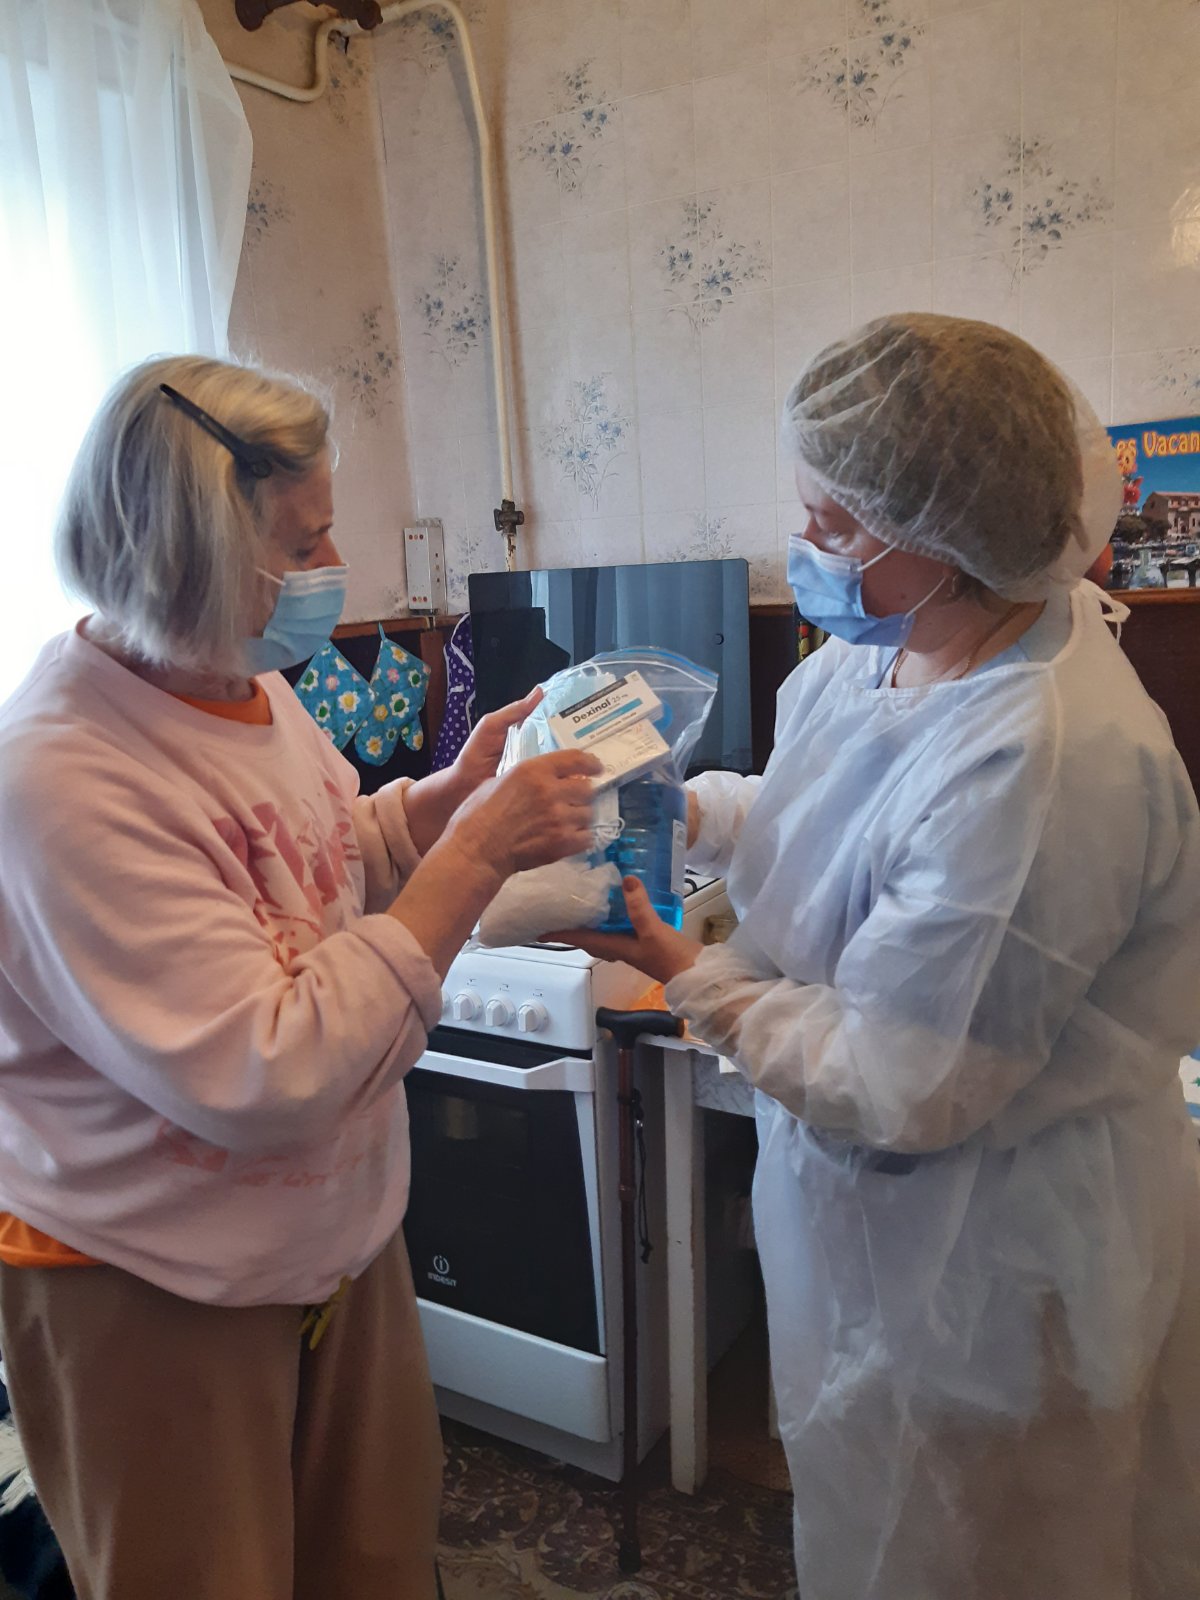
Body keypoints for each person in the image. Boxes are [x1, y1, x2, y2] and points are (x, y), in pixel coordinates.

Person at [565, 314, 1200, 1600]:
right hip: (877, 1234)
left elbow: (904, 1079)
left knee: (984, 1553)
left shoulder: (1045, 757)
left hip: (995, 1270)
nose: (806, 546)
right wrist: (693, 811)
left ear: (950, 535)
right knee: (871, 1521)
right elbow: (829, 809)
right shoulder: (894, 647)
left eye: (834, 525)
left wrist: (690, 970)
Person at [0, 355, 600, 1600]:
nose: (333, 564)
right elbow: (264, 1069)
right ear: (191, 555)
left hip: (330, 1242)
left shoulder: (237, 676)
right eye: (303, 541)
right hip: (153, 1278)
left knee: (373, 1561)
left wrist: (439, 806)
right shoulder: (59, 777)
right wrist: (478, 855)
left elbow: (312, 862)